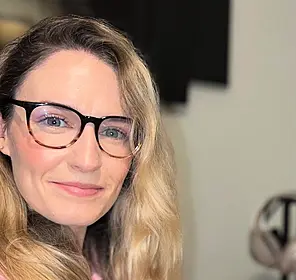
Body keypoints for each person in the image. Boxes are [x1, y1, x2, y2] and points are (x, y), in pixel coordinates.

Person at [0, 15, 182, 280]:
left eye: (113, 131)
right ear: (3, 131)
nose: (87, 161)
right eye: (55, 121)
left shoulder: (117, 263)